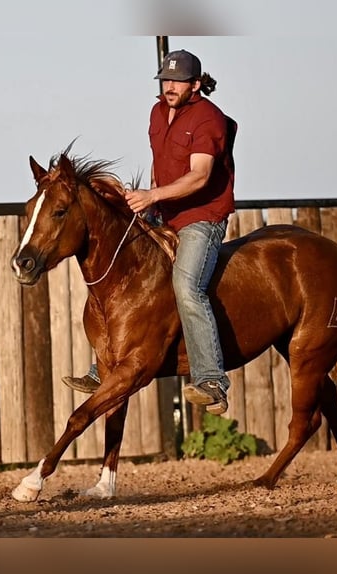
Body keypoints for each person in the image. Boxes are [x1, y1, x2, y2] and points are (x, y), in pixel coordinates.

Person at [62, 49, 236, 416]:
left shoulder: (210, 119)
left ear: (196, 84)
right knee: (122, 276)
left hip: (201, 219)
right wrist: (147, 201)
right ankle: (102, 368)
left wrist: (152, 195)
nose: (169, 87)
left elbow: (200, 176)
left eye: (176, 81)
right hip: (164, 213)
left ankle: (212, 382)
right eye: (165, 80)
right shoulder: (157, 113)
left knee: (188, 289)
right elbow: (161, 165)